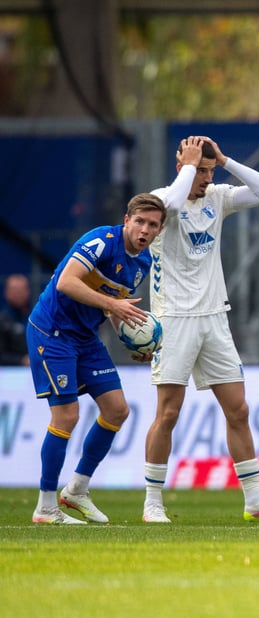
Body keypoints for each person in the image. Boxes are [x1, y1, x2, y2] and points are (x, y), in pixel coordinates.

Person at [144, 135, 259, 524]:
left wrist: (225, 160)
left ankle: (255, 501)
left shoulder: (217, 195)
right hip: (174, 318)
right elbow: (173, 205)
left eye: (211, 172)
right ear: (181, 168)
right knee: (169, 412)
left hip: (214, 316)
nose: (207, 180)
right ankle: (153, 503)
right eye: (200, 171)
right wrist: (191, 167)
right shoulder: (161, 199)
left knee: (238, 410)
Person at [27, 193, 166, 524]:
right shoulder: (102, 240)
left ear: (159, 231)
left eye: (153, 225)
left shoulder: (143, 263)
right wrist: (115, 306)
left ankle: (76, 489)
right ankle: (46, 507)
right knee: (66, 416)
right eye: (140, 221)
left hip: (85, 337)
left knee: (117, 410)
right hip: (52, 331)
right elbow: (66, 281)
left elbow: (116, 305)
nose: (145, 230)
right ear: (127, 220)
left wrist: (130, 338)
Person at [0, 273, 31, 365]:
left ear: (28, 291)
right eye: (14, 290)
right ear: (6, 292)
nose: (18, 293)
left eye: (21, 290)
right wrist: (21, 360)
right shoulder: (2, 320)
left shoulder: (36, 318)